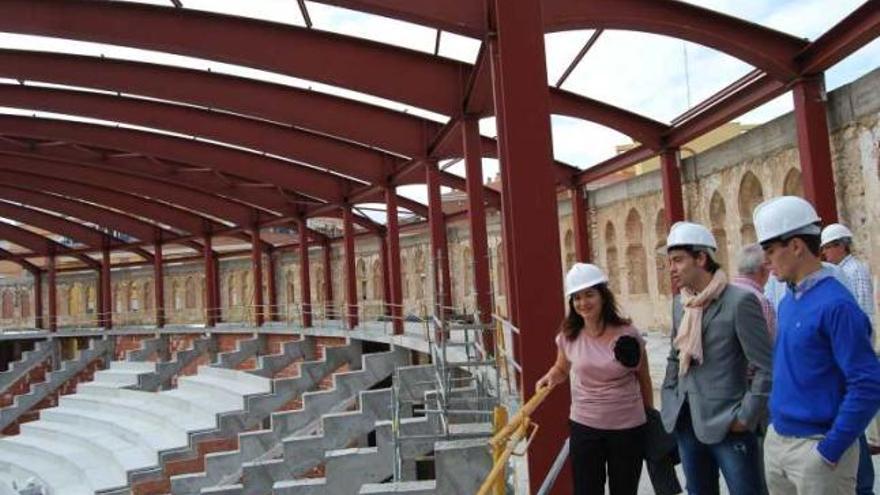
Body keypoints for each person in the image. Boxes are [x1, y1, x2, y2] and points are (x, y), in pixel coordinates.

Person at [753, 196, 880, 495]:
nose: (766, 261)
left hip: (817, 449)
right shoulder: (788, 301)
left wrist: (830, 449)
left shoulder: (837, 305)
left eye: (770, 250)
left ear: (796, 246)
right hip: (779, 441)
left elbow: (867, 383)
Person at [660, 221, 772, 495]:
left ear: (701, 258)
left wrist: (745, 417)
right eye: (670, 261)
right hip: (687, 420)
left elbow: (765, 366)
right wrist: (670, 396)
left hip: (729, 424)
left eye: (678, 260)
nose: (671, 268)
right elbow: (675, 356)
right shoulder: (681, 304)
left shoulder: (739, 302)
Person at [537, 263, 652, 495]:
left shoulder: (627, 333)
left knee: (624, 491)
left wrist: (649, 415)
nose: (583, 303)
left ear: (602, 296)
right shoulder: (569, 336)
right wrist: (550, 377)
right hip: (585, 426)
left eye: (589, 294)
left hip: (627, 427)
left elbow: (643, 377)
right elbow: (562, 368)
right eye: (577, 298)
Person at [821, 223, 878, 495]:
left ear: (841, 246)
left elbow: (863, 310)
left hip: (853, 349)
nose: (825, 253)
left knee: (855, 421)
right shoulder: (839, 271)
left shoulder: (854, 271)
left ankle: (863, 485)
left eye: (828, 247)